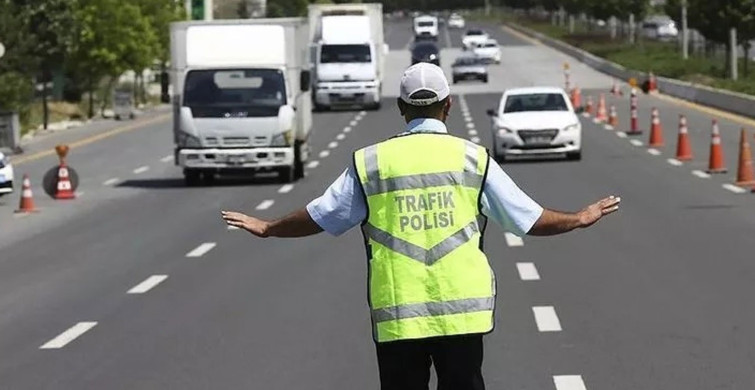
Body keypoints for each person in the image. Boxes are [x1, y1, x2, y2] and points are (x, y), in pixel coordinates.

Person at [221, 63, 620, 390]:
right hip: (462, 315)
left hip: (399, 316)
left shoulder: (372, 162)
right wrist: (578, 219)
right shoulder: (471, 159)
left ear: (401, 107)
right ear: (448, 105)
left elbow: (322, 215)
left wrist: (269, 226)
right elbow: (527, 218)